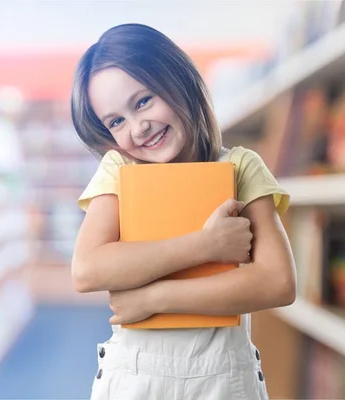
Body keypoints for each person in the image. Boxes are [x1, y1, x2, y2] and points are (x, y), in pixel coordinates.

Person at [70, 23, 296, 400]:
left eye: (143, 101)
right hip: (135, 376)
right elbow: (87, 269)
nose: (138, 127)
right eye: (116, 121)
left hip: (225, 378)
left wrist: (155, 298)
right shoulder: (119, 171)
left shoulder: (241, 167)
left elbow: (278, 282)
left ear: (179, 80)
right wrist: (204, 245)